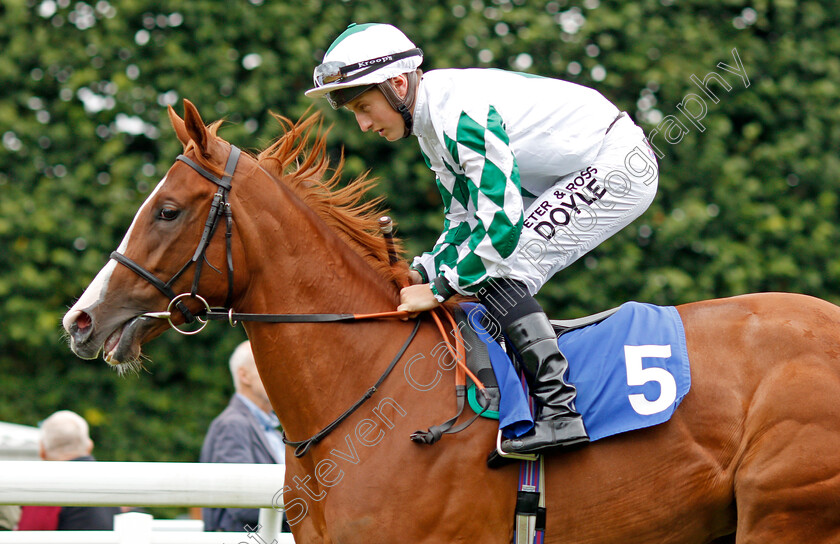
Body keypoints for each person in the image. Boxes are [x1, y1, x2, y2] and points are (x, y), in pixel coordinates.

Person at [306, 23, 659, 457]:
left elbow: (500, 228)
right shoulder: (431, 124)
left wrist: (439, 289)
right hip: (573, 170)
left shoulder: (459, 114)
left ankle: (560, 413)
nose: (362, 125)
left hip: (617, 165)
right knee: (483, 265)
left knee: (501, 265)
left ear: (398, 83)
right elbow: (462, 220)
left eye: (364, 106)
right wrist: (424, 269)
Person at [200, 341, 288, 532]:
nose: (279, 376)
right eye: (267, 367)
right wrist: (308, 504)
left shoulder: (270, 429)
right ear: (244, 376)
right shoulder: (232, 425)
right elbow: (241, 501)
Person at [17, 410, 121, 530]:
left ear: (42, 450)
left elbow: (28, 535)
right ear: (89, 446)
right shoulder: (111, 481)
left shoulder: (44, 486)